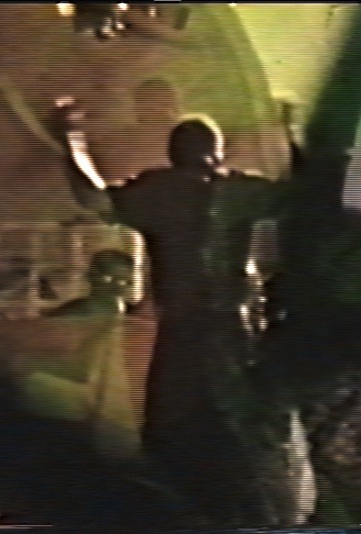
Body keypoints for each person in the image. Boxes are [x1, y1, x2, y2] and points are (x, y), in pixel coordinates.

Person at [58, 108, 274, 523]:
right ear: (217, 151)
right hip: (236, 330)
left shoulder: (159, 191)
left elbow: (93, 198)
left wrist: (72, 139)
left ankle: (177, 513)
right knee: (238, 429)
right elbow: (309, 197)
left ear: (173, 153)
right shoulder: (242, 190)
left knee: (172, 429)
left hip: (182, 330)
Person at [45, 250, 135, 317]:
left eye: (123, 280)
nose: (116, 286)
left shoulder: (130, 313)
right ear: (91, 276)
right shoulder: (72, 314)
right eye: (108, 278)